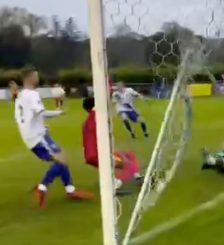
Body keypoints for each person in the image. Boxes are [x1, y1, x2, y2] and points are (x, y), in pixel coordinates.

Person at [14, 67, 92, 208]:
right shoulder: (32, 94)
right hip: (37, 137)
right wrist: (59, 113)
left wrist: (41, 127)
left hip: (34, 135)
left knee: (62, 158)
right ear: (29, 78)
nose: (37, 78)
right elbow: (41, 113)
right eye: (35, 76)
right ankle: (42, 188)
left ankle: (70, 191)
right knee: (61, 160)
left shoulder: (21, 95)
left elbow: (25, 117)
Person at [82, 97, 143, 192]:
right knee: (126, 162)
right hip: (98, 154)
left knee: (126, 158)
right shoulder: (98, 116)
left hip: (92, 155)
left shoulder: (88, 121)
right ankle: (118, 184)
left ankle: (135, 178)